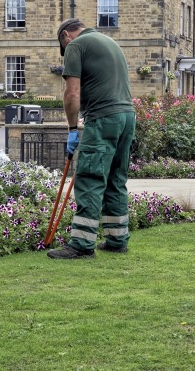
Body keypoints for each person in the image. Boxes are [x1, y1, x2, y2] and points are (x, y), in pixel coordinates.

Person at [48, 18, 136, 259]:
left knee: (90, 177)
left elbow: (72, 93)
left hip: (103, 118)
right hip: (127, 117)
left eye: (64, 48)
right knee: (115, 178)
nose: (66, 52)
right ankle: (117, 240)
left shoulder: (77, 46)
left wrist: (72, 128)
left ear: (66, 35)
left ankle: (81, 245)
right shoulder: (111, 43)